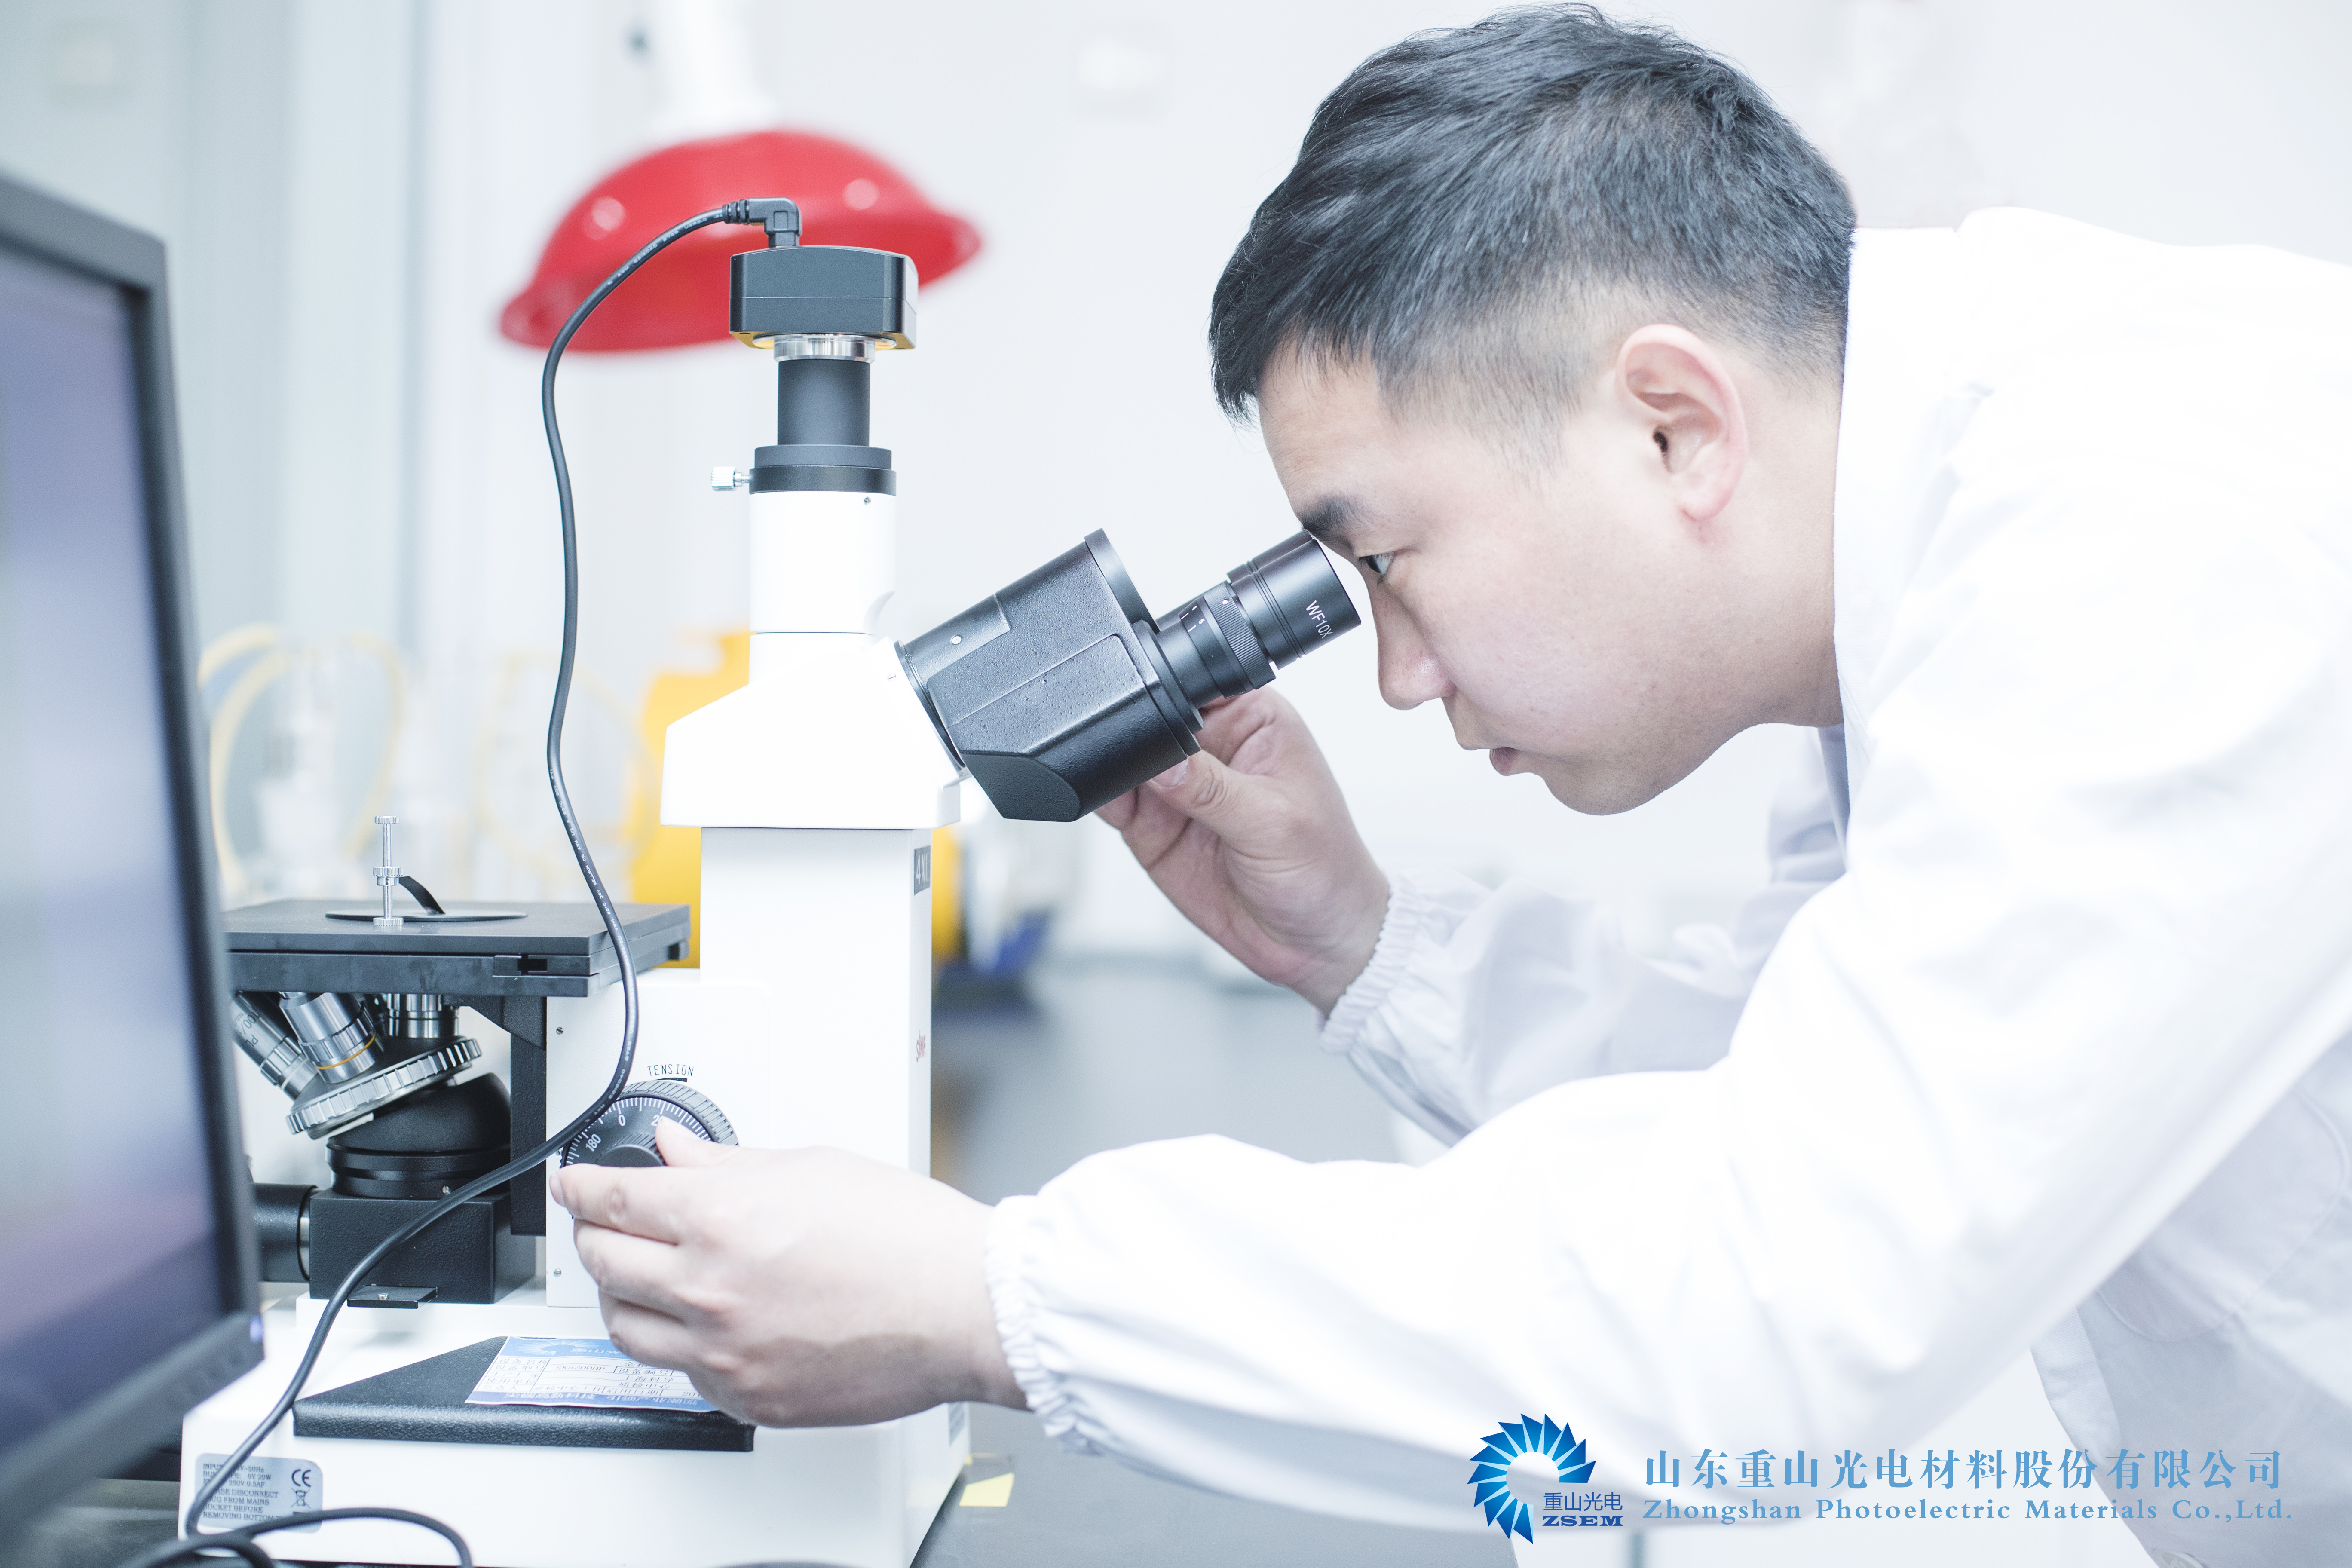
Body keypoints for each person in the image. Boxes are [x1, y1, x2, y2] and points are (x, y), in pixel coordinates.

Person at [546, 8, 2352, 1563]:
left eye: (1389, 561)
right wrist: (1360, 941)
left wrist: (984, 1296)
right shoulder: (1934, 554)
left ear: (1672, 425)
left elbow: (1772, 1297)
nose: (1399, 676)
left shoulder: (2153, 533)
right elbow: (1778, 1098)